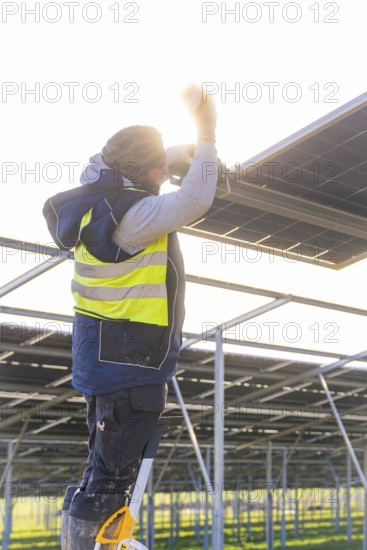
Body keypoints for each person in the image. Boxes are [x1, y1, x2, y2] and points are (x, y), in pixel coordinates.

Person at [43, 89, 218, 549]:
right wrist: (207, 130)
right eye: (159, 168)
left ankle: (81, 540)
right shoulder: (133, 215)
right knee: (111, 481)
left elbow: (140, 173)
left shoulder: (98, 202)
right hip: (130, 361)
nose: (166, 175)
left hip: (105, 357)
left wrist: (188, 153)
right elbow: (196, 200)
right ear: (138, 172)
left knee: (102, 471)